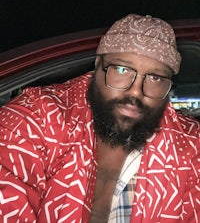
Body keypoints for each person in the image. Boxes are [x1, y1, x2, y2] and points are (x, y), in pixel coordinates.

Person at [0, 14, 199, 223]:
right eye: (122, 69)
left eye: (155, 78)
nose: (135, 92)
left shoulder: (189, 146)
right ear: (97, 66)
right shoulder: (38, 116)